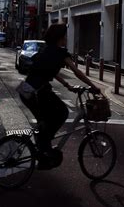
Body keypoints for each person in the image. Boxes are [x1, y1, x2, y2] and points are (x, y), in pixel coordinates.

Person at [19, 22, 101, 169]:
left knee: (45, 121)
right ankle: (45, 149)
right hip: (37, 92)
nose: (66, 38)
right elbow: (77, 72)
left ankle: (43, 150)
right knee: (62, 112)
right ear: (60, 38)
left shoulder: (45, 50)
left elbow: (53, 71)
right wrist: (93, 87)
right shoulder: (60, 53)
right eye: (64, 36)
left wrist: (67, 85)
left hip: (26, 90)